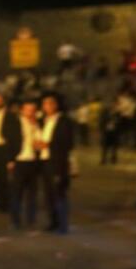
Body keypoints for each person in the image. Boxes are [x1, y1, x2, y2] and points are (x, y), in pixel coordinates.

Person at [8, 99, 51, 230]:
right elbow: (10, 142)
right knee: (17, 193)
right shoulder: (16, 123)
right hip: (20, 160)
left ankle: (31, 218)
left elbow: (42, 141)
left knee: (32, 193)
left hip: (34, 161)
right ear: (22, 110)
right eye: (28, 110)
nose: (30, 112)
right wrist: (10, 160)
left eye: (33, 110)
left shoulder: (38, 124)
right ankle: (15, 220)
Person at [40, 93, 76, 233]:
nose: (47, 107)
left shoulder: (64, 121)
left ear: (56, 105)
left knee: (59, 193)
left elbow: (68, 143)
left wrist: (48, 145)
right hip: (45, 160)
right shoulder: (44, 121)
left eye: (50, 104)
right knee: (48, 194)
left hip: (58, 161)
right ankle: (53, 221)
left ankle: (63, 223)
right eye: (45, 104)